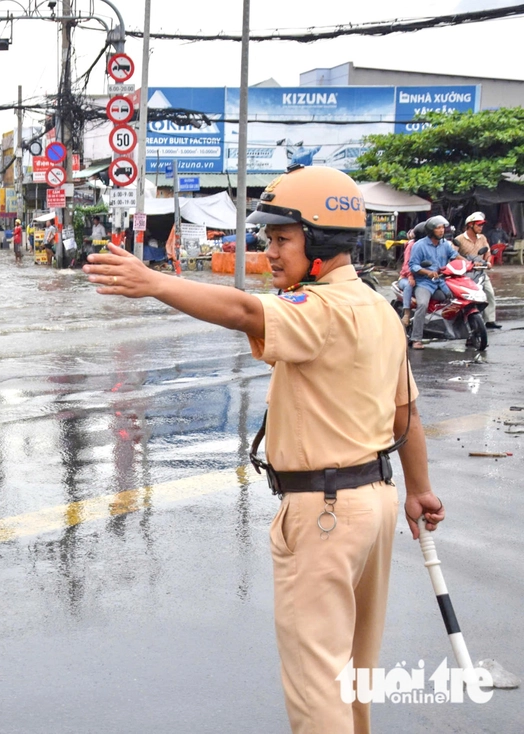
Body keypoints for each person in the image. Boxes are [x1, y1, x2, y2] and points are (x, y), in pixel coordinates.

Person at [84, 165, 444, 734]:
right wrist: (420, 490)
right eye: (268, 240)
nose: (269, 252)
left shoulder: (320, 309)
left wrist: (153, 281)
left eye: (282, 240)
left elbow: (246, 313)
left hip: (325, 512)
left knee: (315, 686)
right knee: (351, 674)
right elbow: (406, 413)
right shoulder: (379, 309)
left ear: (320, 243)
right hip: (374, 502)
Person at [409, 215, 455, 350]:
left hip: (441, 282)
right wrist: (427, 272)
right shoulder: (419, 245)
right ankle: (416, 338)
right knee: (422, 304)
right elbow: (413, 266)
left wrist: (469, 262)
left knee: (457, 300)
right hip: (424, 283)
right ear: (431, 230)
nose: (441, 231)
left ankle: (464, 334)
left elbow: (454, 256)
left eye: (442, 228)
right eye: (438, 228)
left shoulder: (445, 244)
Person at [453, 212, 499, 329]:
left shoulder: (482, 238)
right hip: (466, 272)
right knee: (467, 296)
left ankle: (490, 320)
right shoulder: (459, 239)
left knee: (489, 293)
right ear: (470, 225)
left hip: (480, 271)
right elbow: (453, 255)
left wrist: (488, 261)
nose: (481, 227)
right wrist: (468, 263)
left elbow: (487, 251)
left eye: (482, 225)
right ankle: (464, 318)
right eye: (478, 225)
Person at [397, 222, 426, 327]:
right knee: (410, 285)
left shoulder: (429, 245)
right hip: (405, 278)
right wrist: (410, 275)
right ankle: (406, 313)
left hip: (422, 277)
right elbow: (406, 265)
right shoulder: (411, 245)